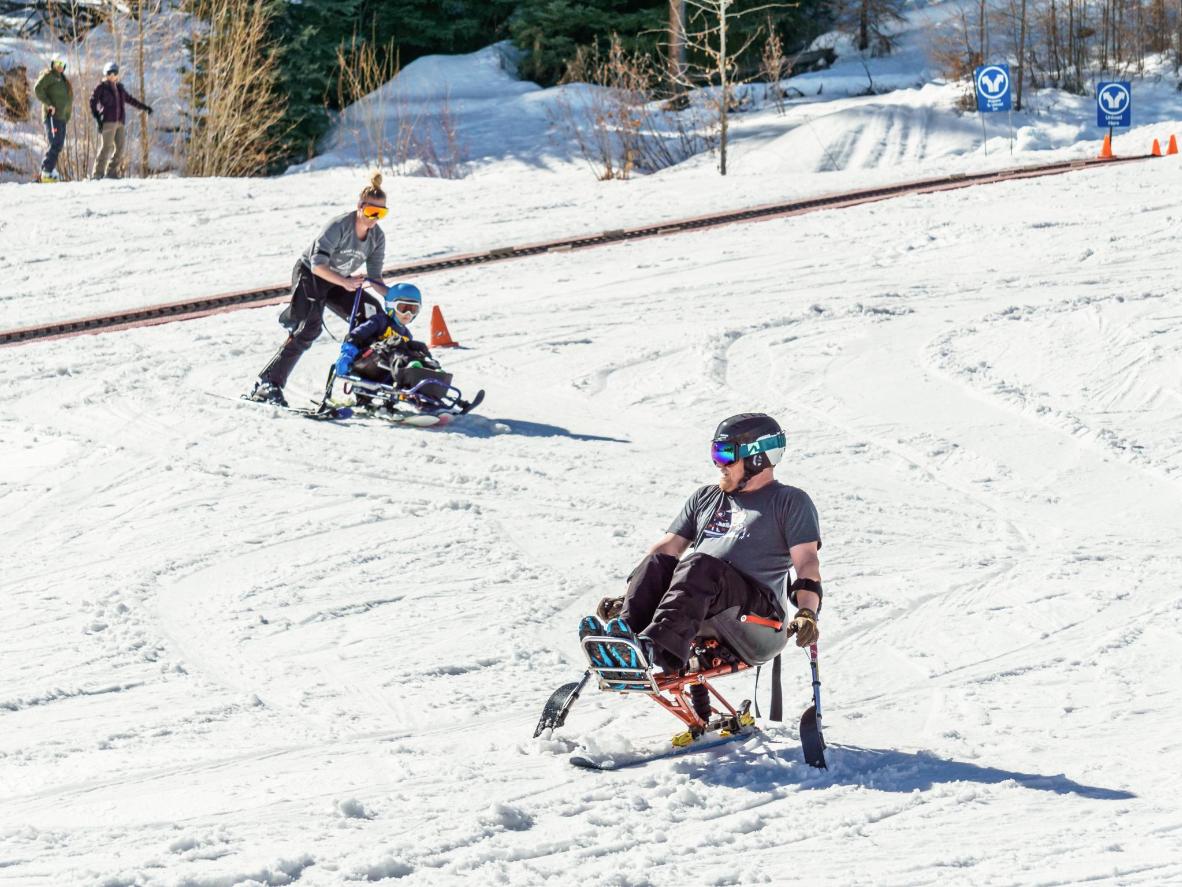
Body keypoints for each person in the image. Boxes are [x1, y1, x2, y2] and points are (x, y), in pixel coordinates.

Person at [586, 413, 823, 674]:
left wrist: (806, 612)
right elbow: (667, 548)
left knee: (700, 565)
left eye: (725, 454)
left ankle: (651, 648)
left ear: (758, 457)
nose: (718, 464)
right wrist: (634, 597)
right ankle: (623, 642)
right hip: (700, 606)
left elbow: (807, 564)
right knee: (659, 560)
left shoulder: (790, 501)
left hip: (758, 622)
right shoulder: (706, 497)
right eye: (715, 453)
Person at [249, 174, 391, 407]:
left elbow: (375, 278)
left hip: (339, 281)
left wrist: (395, 298)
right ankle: (268, 384)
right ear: (359, 207)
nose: (375, 219)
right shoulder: (339, 226)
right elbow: (317, 265)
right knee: (310, 327)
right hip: (311, 274)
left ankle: (365, 388)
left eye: (381, 214)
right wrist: (344, 282)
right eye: (371, 213)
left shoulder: (377, 237)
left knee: (371, 315)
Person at [334, 283, 432, 387]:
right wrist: (347, 355)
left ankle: (429, 370)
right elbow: (356, 335)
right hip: (368, 361)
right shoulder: (380, 321)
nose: (408, 314)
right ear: (391, 306)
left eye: (413, 310)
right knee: (396, 343)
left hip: (387, 370)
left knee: (418, 347)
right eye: (403, 308)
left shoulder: (407, 334)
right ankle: (409, 370)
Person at [89, 61, 152, 180]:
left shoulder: (120, 88)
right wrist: (97, 116)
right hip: (108, 122)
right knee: (106, 147)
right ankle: (97, 174)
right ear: (105, 74)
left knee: (120, 148)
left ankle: (111, 173)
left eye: (115, 73)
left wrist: (145, 108)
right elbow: (92, 101)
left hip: (120, 122)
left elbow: (131, 100)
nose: (112, 76)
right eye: (109, 73)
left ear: (117, 75)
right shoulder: (101, 87)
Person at [33, 55, 73, 183]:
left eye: (62, 63)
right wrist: (49, 104)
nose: (60, 66)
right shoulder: (49, 75)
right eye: (57, 63)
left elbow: (68, 100)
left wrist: (67, 116)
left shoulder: (63, 80)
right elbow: (37, 89)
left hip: (61, 118)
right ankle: (46, 171)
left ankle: (47, 173)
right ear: (53, 63)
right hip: (52, 116)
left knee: (59, 145)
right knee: (55, 143)